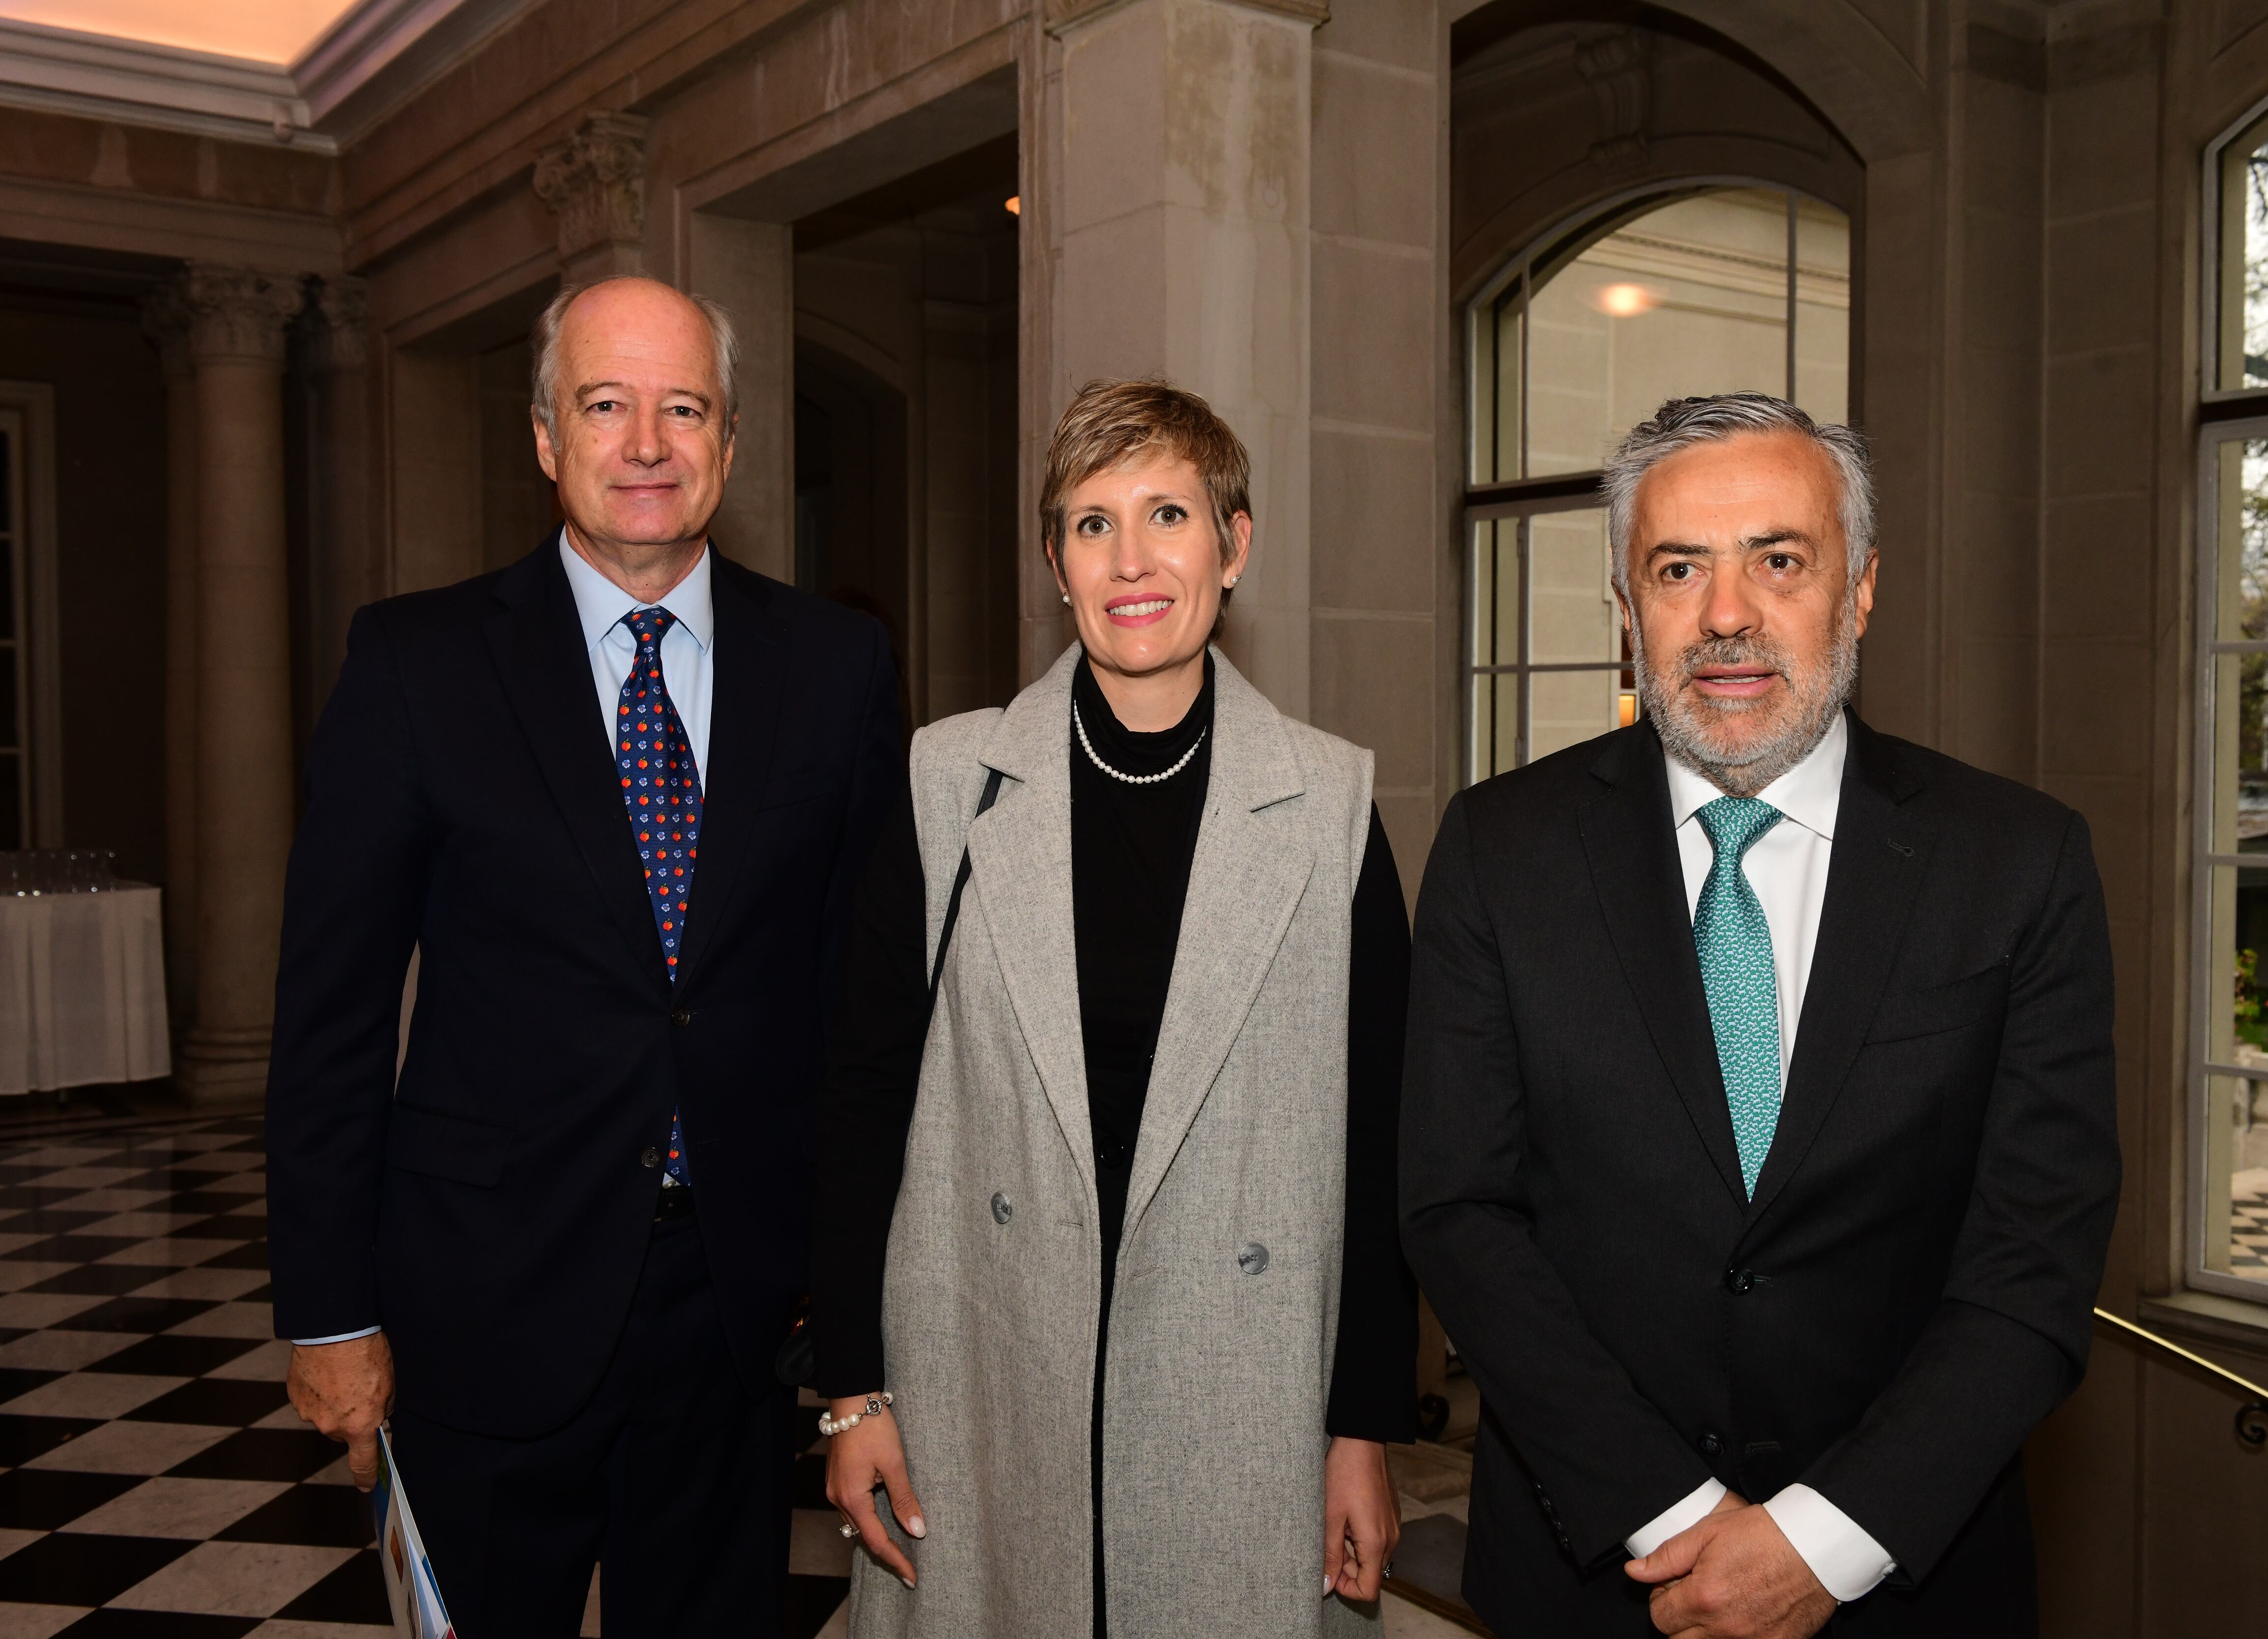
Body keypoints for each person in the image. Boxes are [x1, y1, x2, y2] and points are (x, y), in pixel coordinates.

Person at [1400, 392, 2119, 1639]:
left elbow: (2033, 1258)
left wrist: (1819, 1541)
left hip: (1907, 1586)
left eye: (1779, 559)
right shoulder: (1498, 849)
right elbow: (1458, 1208)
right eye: (1679, 567)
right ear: (1627, 611)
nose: (1727, 613)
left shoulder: (2019, 863)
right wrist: (1674, 1515)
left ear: (1862, 587)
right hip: (1592, 1579)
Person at [266, 276, 902, 1636]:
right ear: (547, 438)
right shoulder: (416, 664)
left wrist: (857, 1338)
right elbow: (329, 1010)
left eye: (685, 408)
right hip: (481, 1296)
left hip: (735, 1310)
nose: (648, 444)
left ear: (731, 445)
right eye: (606, 406)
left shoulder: (840, 669)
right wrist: (326, 1307)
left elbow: (863, 1024)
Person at [811, 378, 1418, 1638]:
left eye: (1167, 516)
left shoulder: (1327, 808)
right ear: (1055, 560)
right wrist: (849, 1389)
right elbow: (859, 1093)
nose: (1131, 561)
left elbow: (1378, 1149)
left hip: (1239, 1390)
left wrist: (1361, 1424)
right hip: (986, 1379)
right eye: (1092, 524)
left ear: (1234, 544)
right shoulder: (950, 783)